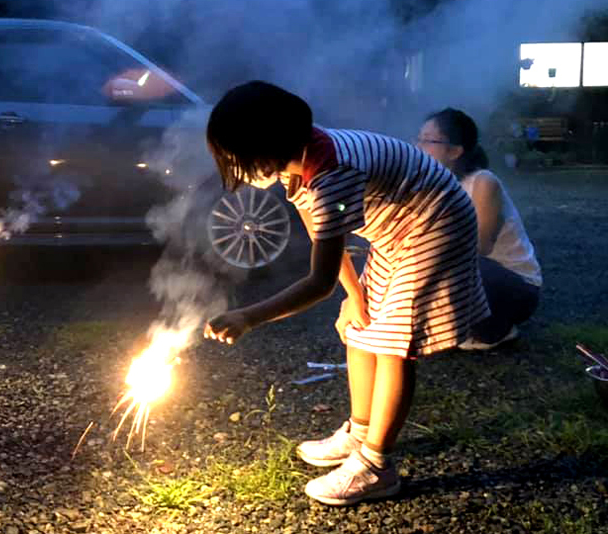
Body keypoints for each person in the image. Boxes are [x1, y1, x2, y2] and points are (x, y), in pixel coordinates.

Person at [203, 81, 488, 506]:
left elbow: (317, 281)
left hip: (436, 221)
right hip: (395, 229)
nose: (237, 168)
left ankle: (376, 467)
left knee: (394, 344)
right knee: (360, 328)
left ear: (269, 146)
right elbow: (326, 238)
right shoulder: (301, 161)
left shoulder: (331, 175)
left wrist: (249, 316)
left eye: (239, 157)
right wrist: (355, 298)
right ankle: (360, 431)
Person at [416, 108, 541, 350]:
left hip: (514, 285)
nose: (419, 146)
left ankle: (497, 330)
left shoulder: (483, 182)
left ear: (454, 150)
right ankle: (454, 329)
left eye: (428, 140)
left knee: (447, 261)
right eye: (418, 138)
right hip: (473, 276)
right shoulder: (430, 186)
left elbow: (480, 246)